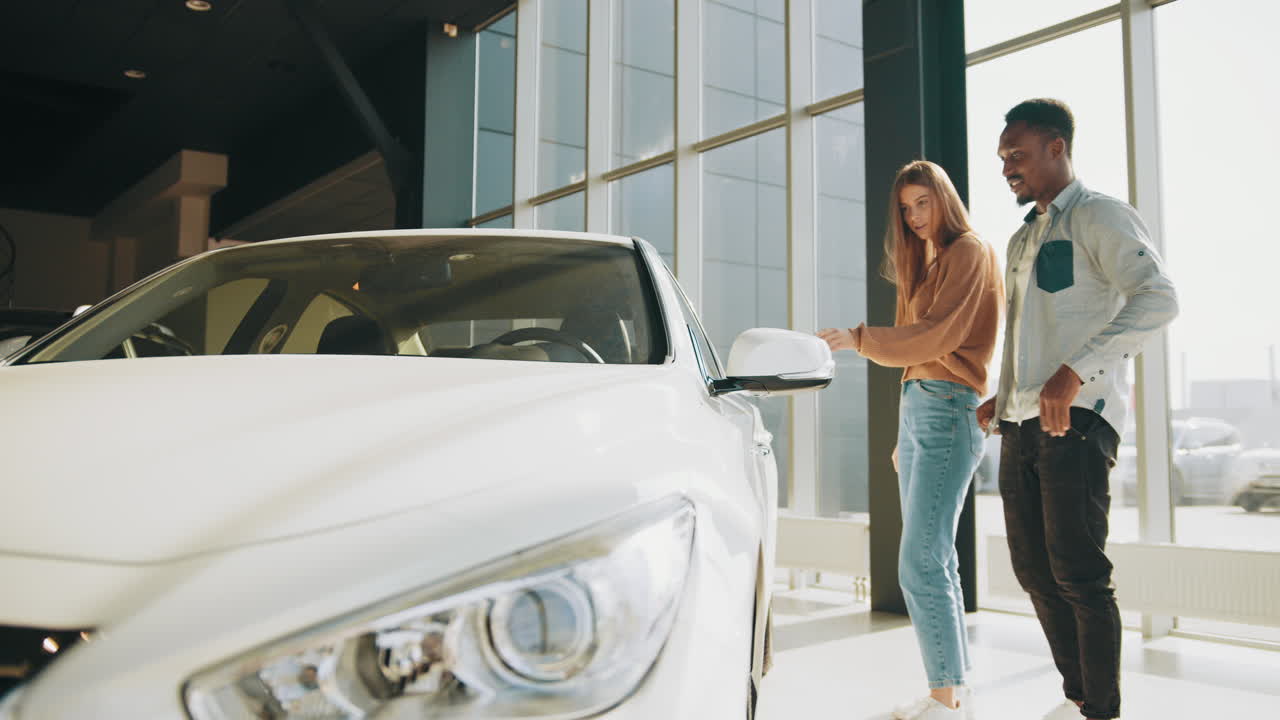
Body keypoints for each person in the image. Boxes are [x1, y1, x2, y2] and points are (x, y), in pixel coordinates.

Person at [974, 98, 1178, 720]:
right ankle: (1080, 694)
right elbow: (1027, 332)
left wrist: (1073, 372)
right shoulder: (1020, 238)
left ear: (1057, 148)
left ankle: (1102, 710)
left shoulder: (1099, 216)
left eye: (1019, 155)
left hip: (1078, 417)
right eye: (1004, 158)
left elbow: (1158, 298)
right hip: (1022, 422)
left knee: (1078, 571)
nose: (1009, 167)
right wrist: (1003, 394)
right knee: (1033, 571)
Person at [820, 160, 1003, 720]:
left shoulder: (970, 251)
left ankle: (945, 698)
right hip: (923, 410)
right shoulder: (930, 263)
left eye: (923, 202)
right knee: (935, 558)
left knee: (919, 561)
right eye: (906, 207)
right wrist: (905, 433)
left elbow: (934, 336)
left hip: (949, 410)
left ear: (944, 199)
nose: (915, 216)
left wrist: (857, 338)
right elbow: (917, 357)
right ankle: (952, 692)